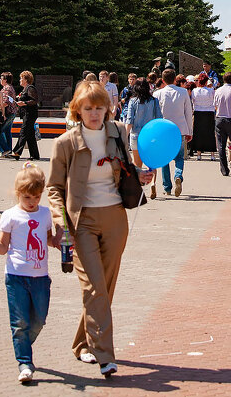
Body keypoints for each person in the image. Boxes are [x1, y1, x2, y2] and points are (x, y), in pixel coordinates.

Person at [47, 80, 152, 378]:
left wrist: (142, 174)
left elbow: (128, 168)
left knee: (103, 289)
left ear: (109, 108)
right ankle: (105, 354)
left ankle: (82, 344)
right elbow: (54, 187)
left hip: (116, 219)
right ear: (77, 110)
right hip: (81, 222)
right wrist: (60, 221)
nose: (94, 113)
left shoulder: (118, 131)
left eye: (99, 107)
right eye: (88, 108)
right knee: (94, 287)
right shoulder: (65, 143)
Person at [0, 165, 60, 383]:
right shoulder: (10, 216)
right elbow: (3, 248)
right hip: (15, 276)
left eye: (37, 196)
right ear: (18, 193)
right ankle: (24, 363)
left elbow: (48, 239)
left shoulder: (45, 214)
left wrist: (61, 242)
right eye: (27, 197)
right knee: (20, 321)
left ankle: (21, 343)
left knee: (39, 319)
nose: (32, 201)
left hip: (41, 277)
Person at [155, 68, 193, 196]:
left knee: (164, 158)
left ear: (163, 80)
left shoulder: (157, 94)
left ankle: (167, 187)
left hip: (163, 129)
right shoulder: (183, 92)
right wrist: (190, 131)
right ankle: (178, 175)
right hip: (180, 129)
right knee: (179, 157)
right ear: (175, 79)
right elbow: (188, 112)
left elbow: (155, 114)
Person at [126, 77, 162, 199]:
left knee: (137, 163)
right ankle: (153, 183)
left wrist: (124, 136)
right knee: (151, 163)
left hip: (136, 135)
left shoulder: (132, 101)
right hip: (150, 136)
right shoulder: (154, 101)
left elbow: (129, 120)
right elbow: (159, 119)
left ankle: (138, 188)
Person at [11, 71, 40, 161]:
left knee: (23, 132)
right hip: (26, 114)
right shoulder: (25, 89)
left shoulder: (30, 88)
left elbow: (34, 100)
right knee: (30, 134)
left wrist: (24, 103)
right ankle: (34, 155)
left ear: (26, 79)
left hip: (30, 114)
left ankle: (17, 152)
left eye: (21, 78)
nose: (20, 80)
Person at [190, 72, 217, 161]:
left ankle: (199, 154)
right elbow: (214, 101)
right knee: (210, 133)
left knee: (198, 133)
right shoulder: (211, 90)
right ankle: (212, 154)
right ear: (206, 82)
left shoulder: (194, 90)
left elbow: (193, 100)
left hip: (198, 112)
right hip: (209, 112)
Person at [0, 72, 18, 157]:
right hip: (12, 112)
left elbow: (6, 102)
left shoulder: (6, 89)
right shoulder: (10, 87)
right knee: (7, 131)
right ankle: (8, 151)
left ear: (5, 80)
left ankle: (5, 150)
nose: (0, 80)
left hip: (8, 113)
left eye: (1, 78)